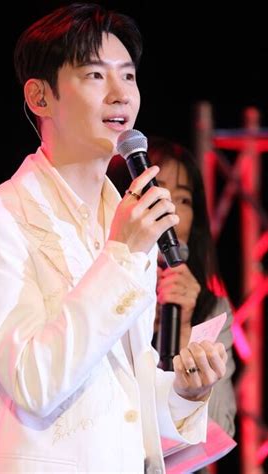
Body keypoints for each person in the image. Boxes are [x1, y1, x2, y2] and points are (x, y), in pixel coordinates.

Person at [0, 4, 229, 473]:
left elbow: (119, 399)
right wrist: (122, 255)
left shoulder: (123, 221)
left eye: (129, 76)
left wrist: (184, 392)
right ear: (40, 97)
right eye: (96, 76)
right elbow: (34, 383)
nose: (120, 95)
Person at [108, 137, 237, 437]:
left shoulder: (211, 310)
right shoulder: (100, 287)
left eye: (184, 200)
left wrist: (184, 332)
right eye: (157, 191)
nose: (171, 210)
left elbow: (219, 431)